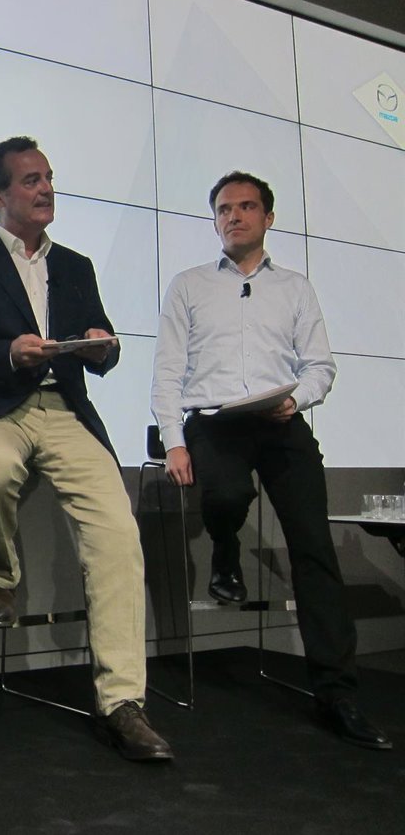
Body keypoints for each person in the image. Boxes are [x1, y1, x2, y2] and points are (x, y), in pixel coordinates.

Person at [0, 136, 172, 762]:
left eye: (49, 178)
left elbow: (102, 347)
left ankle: (122, 702)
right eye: (31, 180)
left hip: (65, 410)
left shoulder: (76, 266)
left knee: (117, 533)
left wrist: (101, 346)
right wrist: (7, 353)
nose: (46, 189)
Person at [150, 171, 391, 750]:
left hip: (280, 422)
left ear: (268, 218)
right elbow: (167, 369)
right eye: (224, 209)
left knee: (314, 550)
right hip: (215, 423)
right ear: (215, 220)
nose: (234, 216)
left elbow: (320, 366)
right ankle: (226, 548)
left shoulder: (295, 288)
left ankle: (337, 694)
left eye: (246, 206)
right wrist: (174, 439)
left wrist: (296, 400)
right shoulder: (188, 285)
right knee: (228, 494)